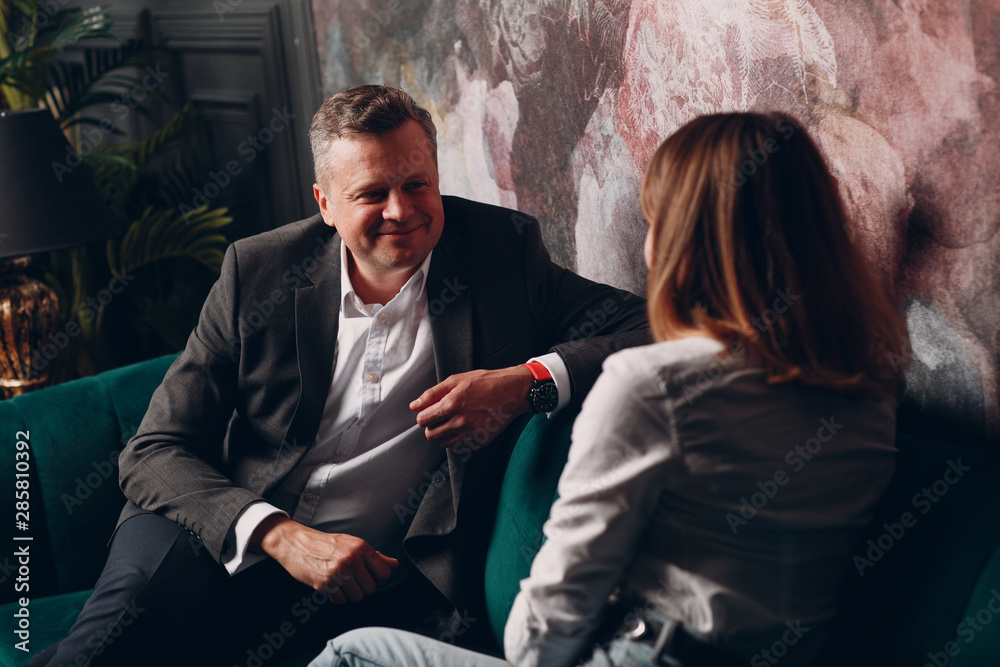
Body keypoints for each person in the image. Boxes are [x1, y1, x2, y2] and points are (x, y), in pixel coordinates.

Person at [30, 85, 649, 667]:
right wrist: (278, 534)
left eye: (417, 184)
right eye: (371, 193)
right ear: (325, 203)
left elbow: (652, 324)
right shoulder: (259, 271)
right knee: (106, 643)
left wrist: (525, 381)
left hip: (369, 582)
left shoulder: (500, 253)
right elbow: (153, 451)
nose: (401, 210)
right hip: (212, 531)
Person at [307, 112, 911, 667]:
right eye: (372, 193)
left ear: (680, 241)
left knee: (355, 653)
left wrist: (526, 384)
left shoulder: (655, 386)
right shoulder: (872, 384)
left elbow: (539, 637)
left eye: (655, 221)